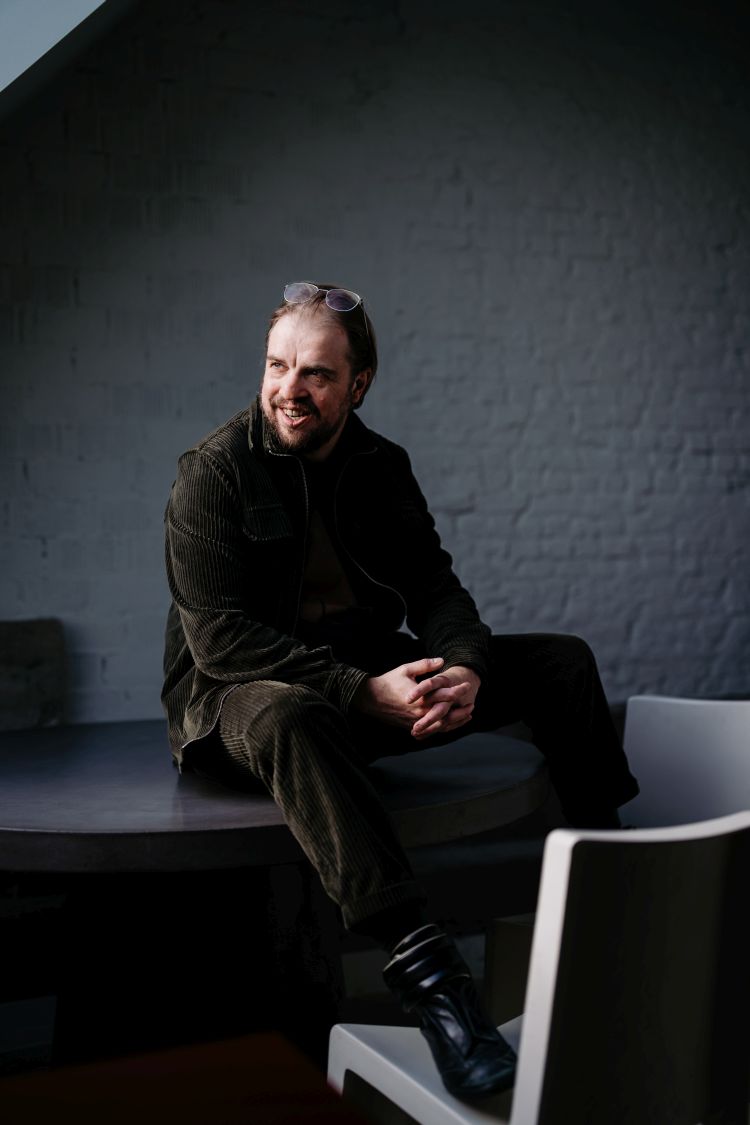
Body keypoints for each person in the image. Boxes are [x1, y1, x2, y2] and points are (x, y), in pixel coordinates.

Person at [161, 280, 639, 1101]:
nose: (289, 388)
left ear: (359, 384)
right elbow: (221, 640)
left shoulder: (382, 466)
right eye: (277, 365)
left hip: (368, 681)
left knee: (561, 662)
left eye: (316, 373)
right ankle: (440, 991)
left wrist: (465, 665)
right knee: (292, 710)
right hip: (240, 698)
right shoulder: (214, 472)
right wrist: (359, 691)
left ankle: (620, 907)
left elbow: (436, 588)